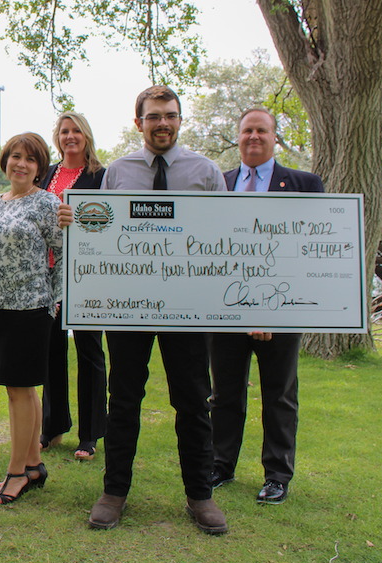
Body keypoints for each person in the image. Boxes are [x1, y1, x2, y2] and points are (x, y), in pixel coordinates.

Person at [88, 86, 229, 534]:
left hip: (188, 310)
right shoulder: (118, 173)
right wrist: (79, 222)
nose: (162, 123)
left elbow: (228, 239)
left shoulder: (205, 173)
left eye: (170, 115)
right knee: (124, 400)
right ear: (139, 123)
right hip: (129, 308)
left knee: (192, 401)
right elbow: (100, 234)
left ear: (180, 120)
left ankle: (200, 497)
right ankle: (114, 492)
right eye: (153, 117)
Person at [209, 107, 324, 505]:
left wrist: (269, 311)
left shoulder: (304, 184)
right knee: (224, 393)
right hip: (226, 311)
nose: (253, 137)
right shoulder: (218, 184)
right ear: (237, 137)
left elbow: (308, 253)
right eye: (246, 131)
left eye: (261, 130)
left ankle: (277, 474)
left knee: (279, 394)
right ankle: (220, 464)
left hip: (282, 311)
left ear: (275, 136)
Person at [0, 132, 63, 504]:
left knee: (19, 390)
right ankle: (33, 464)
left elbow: (63, 254)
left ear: (39, 168)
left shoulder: (47, 203)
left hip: (31, 306)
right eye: (15, 156)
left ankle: (15, 472)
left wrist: (56, 300)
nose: (21, 164)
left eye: (30, 159)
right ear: (5, 160)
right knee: (22, 389)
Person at [38, 111, 108, 461]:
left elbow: (107, 223)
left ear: (86, 135)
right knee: (51, 352)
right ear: (58, 137)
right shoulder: (47, 174)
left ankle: (90, 434)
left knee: (90, 352)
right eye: (64, 131)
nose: (70, 136)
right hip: (49, 276)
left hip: (86, 276)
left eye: (76, 130)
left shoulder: (100, 176)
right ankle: (52, 426)